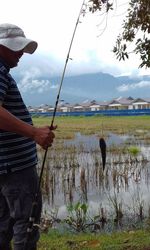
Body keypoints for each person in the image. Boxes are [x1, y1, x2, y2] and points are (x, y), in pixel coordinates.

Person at [0, 23, 55, 250]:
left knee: (3, 226)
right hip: (16, 169)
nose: (21, 53)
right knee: (27, 224)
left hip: (5, 168)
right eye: (16, 47)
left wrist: (34, 129)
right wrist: (34, 133)